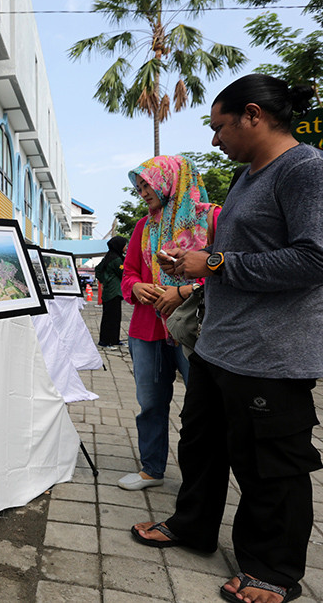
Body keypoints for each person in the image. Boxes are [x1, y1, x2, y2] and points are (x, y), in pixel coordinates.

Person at [132, 74, 323, 603]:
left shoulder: (309, 171)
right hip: (220, 343)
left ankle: (272, 570)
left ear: (253, 115)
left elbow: (322, 259)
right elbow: (234, 258)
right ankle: (193, 526)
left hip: (273, 350)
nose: (214, 140)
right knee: (202, 444)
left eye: (219, 126)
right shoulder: (247, 177)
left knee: (269, 464)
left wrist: (211, 261)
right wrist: (196, 272)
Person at [118, 155, 220, 492]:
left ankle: (201, 479)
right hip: (148, 329)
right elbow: (128, 272)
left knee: (202, 407)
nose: (143, 191)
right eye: (139, 186)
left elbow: (227, 269)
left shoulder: (210, 218)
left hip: (196, 329)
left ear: (169, 181)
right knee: (150, 403)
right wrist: (136, 286)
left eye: (147, 183)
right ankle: (152, 469)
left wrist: (185, 290)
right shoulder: (143, 227)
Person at [94, 236, 127, 346]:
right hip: (114, 292)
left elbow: (98, 270)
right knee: (112, 318)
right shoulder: (117, 260)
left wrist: (104, 280)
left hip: (110, 291)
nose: (126, 247)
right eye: (124, 245)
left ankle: (113, 340)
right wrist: (107, 280)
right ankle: (105, 341)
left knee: (112, 317)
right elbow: (124, 274)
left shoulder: (109, 257)